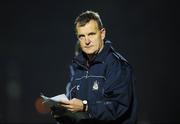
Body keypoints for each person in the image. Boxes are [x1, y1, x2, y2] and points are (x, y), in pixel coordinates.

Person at [51, 10, 137, 124]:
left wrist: (86, 107)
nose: (87, 41)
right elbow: (76, 111)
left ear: (102, 34)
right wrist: (63, 114)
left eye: (91, 34)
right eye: (82, 36)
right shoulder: (79, 67)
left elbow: (118, 106)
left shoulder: (117, 65)